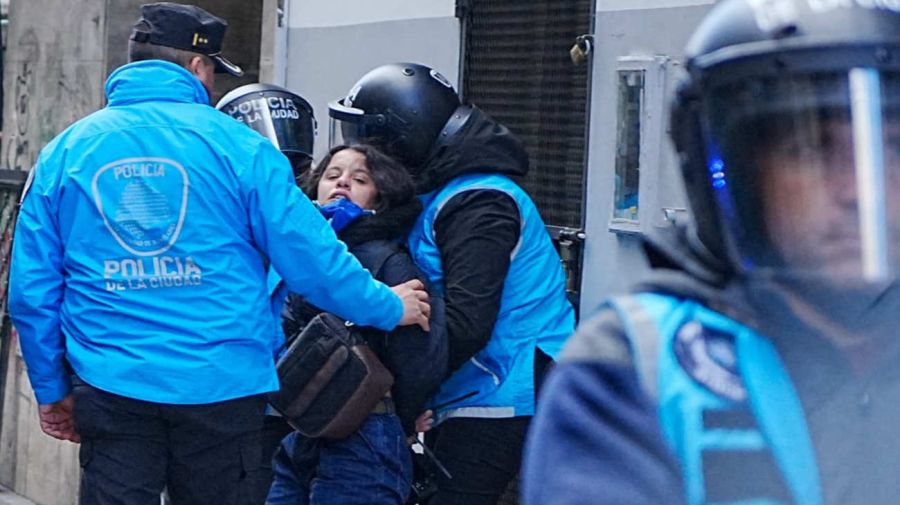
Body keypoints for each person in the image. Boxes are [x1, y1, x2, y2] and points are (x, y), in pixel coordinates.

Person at [7, 4, 430, 505]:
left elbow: (32, 291)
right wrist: (386, 305)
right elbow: (312, 258)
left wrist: (53, 388)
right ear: (196, 67)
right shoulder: (243, 150)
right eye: (212, 73)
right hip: (222, 388)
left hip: (111, 383)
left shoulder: (65, 152)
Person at [521, 1, 900, 504]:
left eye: (890, 146)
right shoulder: (637, 369)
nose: (860, 189)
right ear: (740, 175)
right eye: (810, 151)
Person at [329, 63, 576, 505]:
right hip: (473, 390)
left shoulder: (479, 202)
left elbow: (468, 320)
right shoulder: (442, 191)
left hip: (504, 390)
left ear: (397, 138)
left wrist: (401, 402)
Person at [266, 144, 447, 505]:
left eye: (359, 178)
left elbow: (421, 354)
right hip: (302, 430)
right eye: (332, 175)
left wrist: (402, 418)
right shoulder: (298, 258)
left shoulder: (389, 262)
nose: (342, 183)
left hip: (366, 431)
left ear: (380, 197)